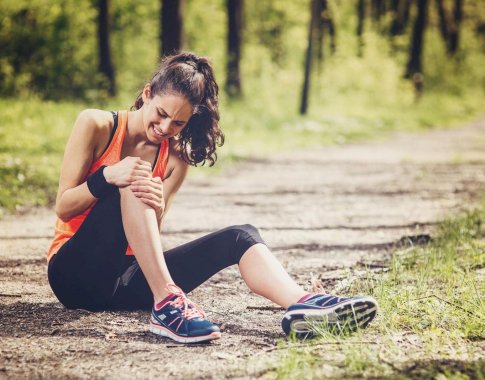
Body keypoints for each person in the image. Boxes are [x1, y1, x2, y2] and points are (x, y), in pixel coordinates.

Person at [47, 52, 378, 344]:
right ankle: (167, 304)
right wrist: (107, 176)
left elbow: (145, 237)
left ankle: (303, 304)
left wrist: (158, 207)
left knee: (240, 236)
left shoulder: (175, 159)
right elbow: (63, 206)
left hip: (125, 282)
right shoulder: (97, 124)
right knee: (134, 179)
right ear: (147, 93)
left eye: (178, 123)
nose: (164, 127)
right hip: (74, 274)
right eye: (161, 113)